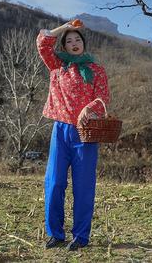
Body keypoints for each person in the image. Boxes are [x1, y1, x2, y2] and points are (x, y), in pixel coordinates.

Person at [36, 20, 110, 251]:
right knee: (55, 182)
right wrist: (65, 26)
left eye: (77, 39)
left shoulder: (96, 69)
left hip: (85, 133)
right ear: (64, 46)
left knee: (83, 186)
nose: (74, 43)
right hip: (60, 130)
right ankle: (55, 234)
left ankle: (81, 236)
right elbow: (42, 42)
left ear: (84, 44)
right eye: (69, 41)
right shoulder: (57, 64)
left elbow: (103, 98)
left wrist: (90, 108)